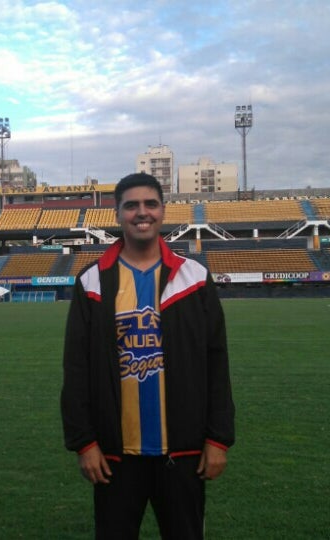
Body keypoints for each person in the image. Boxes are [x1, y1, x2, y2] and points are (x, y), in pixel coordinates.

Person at [61, 173, 235, 539]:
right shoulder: (92, 282)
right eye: (132, 205)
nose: (142, 213)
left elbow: (216, 363)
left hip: (184, 453)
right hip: (114, 456)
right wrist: (84, 443)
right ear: (117, 214)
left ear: (163, 211)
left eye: (150, 204)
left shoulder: (194, 278)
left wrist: (218, 439)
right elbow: (76, 370)